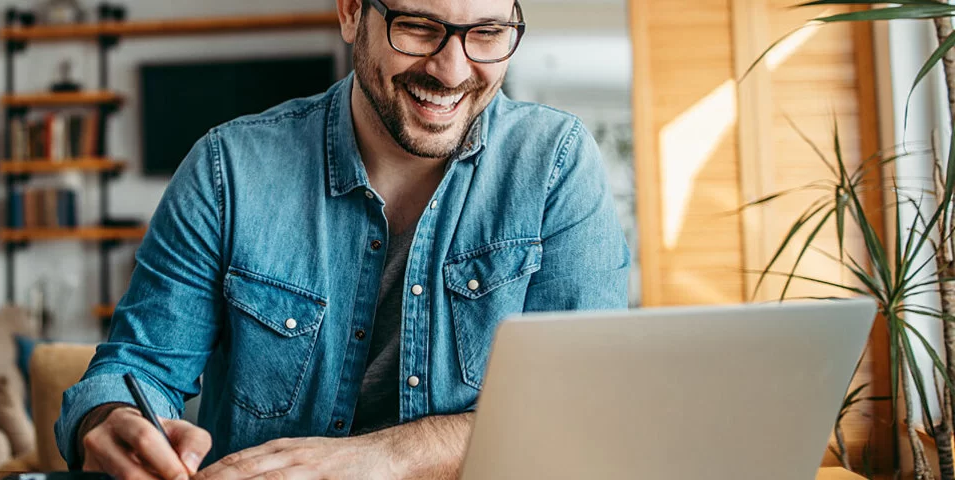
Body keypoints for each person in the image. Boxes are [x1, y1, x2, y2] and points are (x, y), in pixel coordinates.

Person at [55, 0, 630, 478]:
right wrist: (110, 419)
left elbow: (582, 409)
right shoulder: (226, 169)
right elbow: (137, 367)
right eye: (418, 28)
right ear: (352, 12)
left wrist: (381, 458)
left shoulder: (556, 164)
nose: (452, 71)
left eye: (487, 34)